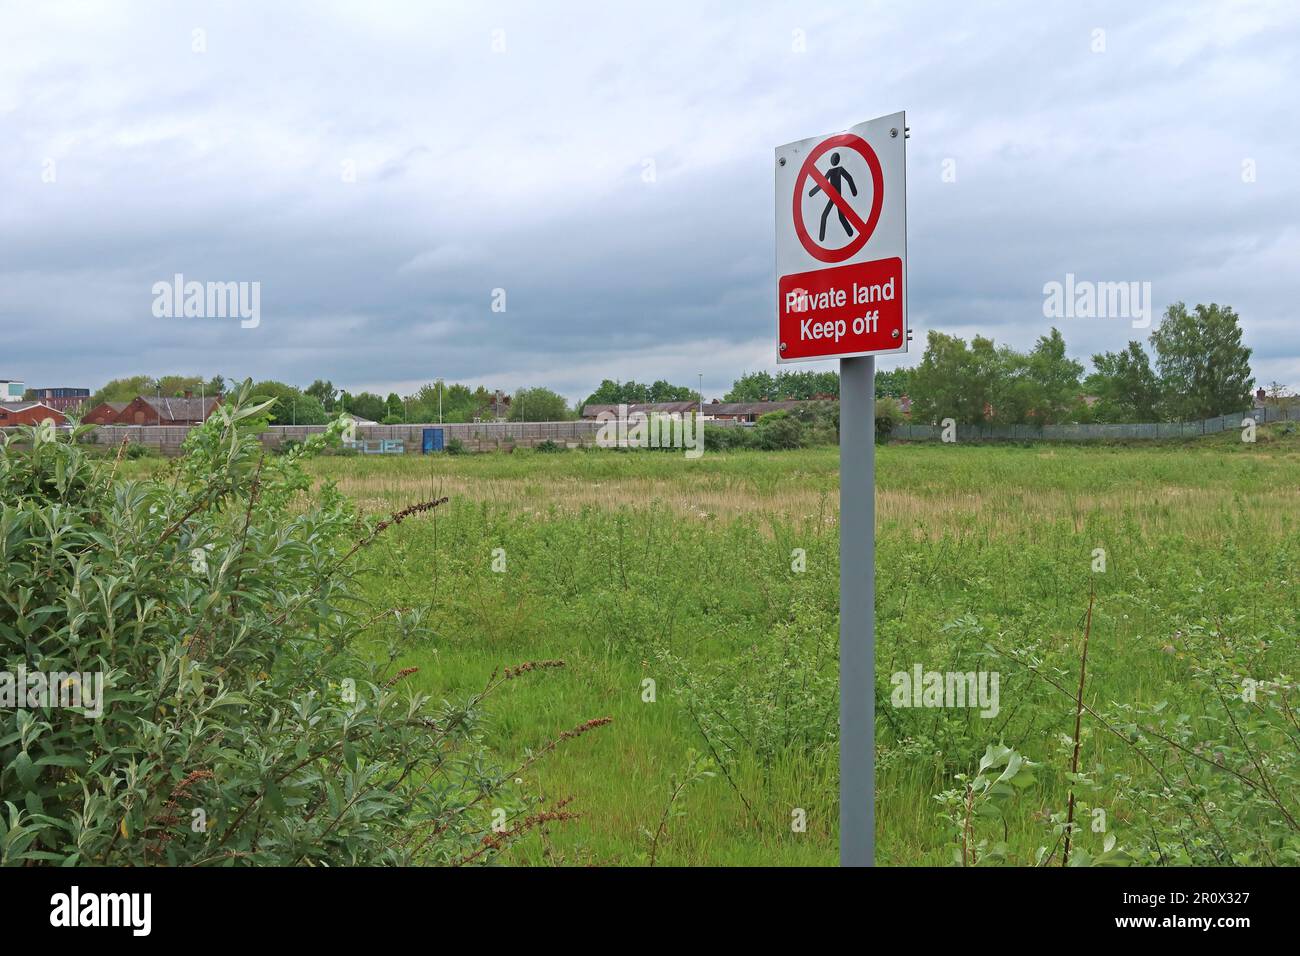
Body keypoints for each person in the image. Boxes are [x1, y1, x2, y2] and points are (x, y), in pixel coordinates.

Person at [808, 152, 858, 241]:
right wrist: (811, 192)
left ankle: (851, 234)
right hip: (833, 197)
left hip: (837, 197)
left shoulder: (840, 169)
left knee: (836, 216)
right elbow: (822, 183)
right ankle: (823, 239)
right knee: (828, 216)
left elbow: (849, 178)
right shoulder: (831, 171)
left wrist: (854, 192)